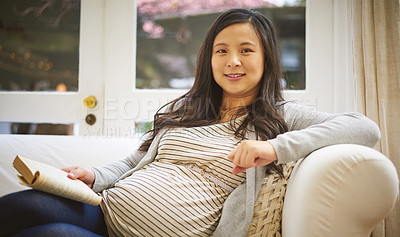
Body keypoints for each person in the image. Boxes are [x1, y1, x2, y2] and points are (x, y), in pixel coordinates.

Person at [0, 8, 380, 237]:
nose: (233, 61)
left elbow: (364, 128)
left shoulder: (280, 116)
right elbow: (136, 161)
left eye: (246, 50)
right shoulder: (188, 108)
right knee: (26, 207)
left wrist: (273, 147)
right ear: (209, 59)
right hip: (106, 211)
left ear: (266, 60)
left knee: (50, 234)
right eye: (222, 51)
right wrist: (95, 176)